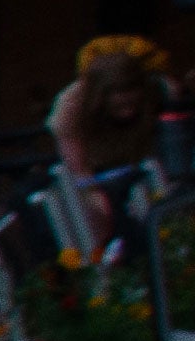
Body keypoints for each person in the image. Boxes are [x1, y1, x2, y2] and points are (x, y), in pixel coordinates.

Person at [46, 33, 174, 256]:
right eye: (116, 92)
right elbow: (80, 173)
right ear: (99, 94)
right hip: (95, 179)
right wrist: (94, 196)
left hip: (145, 176)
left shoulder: (160, 92)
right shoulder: (71, 108)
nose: (125, 98)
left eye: (130, 90)